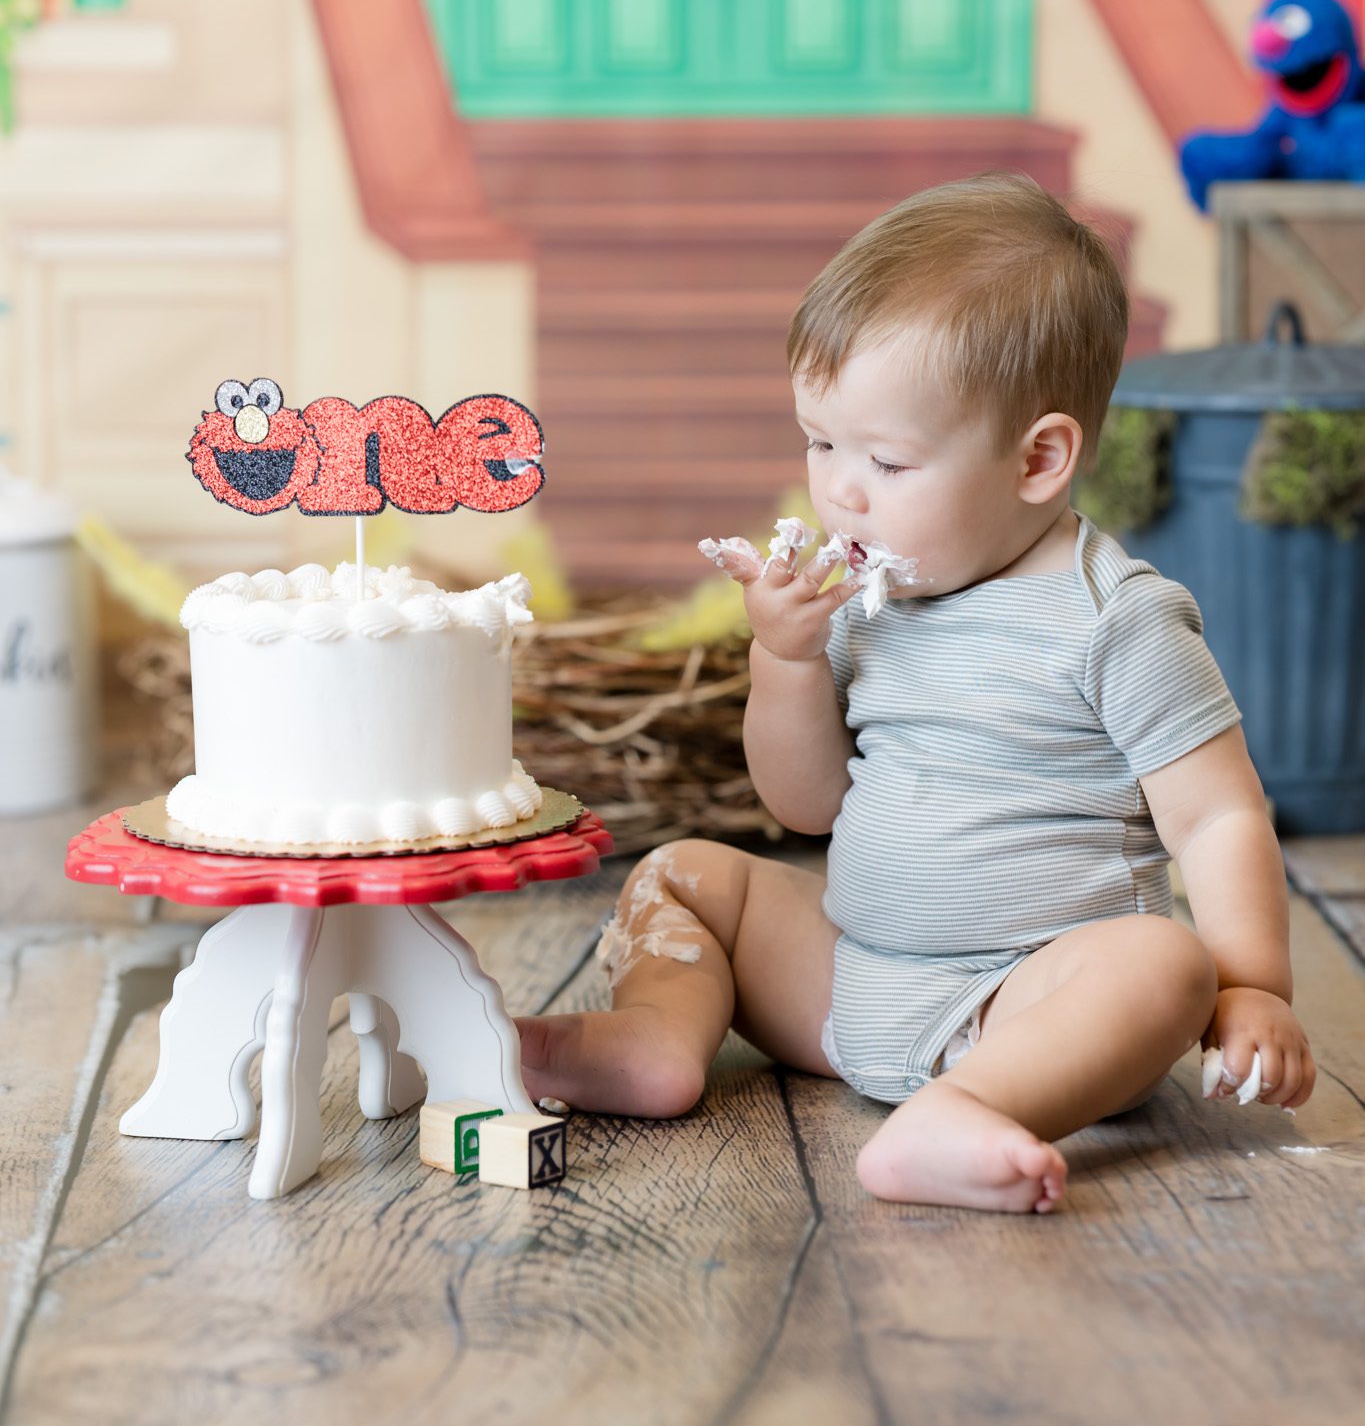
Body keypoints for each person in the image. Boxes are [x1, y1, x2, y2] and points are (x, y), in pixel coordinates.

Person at [517, 173, 1315, 1213]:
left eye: (888, 461)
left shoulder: (1114, 619)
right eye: (819, 440)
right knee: (682, 872)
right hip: (850, 982)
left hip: (1026, 1005)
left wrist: (1249, 986)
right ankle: (656, 1039)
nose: (839, 488)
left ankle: (970, 1107)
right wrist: (786, 662)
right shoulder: (866, 602)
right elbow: (805, 805)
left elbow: (1215, 818)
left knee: (1166, 964)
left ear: (1037, 459)